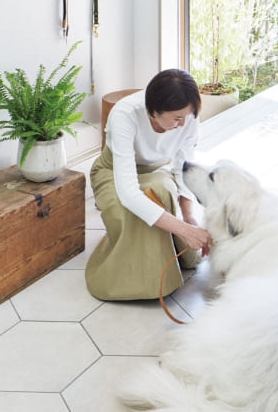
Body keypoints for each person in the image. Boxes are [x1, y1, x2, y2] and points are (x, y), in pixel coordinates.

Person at [85, 69, 212, 301]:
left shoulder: (188, 117)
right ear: (153, 111)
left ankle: (169, 249)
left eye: (187, 117)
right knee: (133, 210)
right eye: (176, 118)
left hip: (155, 172)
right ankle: (135, 278)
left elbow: (182, 169)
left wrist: (190, 219)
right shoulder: (125, 114)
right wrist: (183, 230)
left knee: (162, 189)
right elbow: (129, 194)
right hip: (113, 173)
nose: (183, 123)